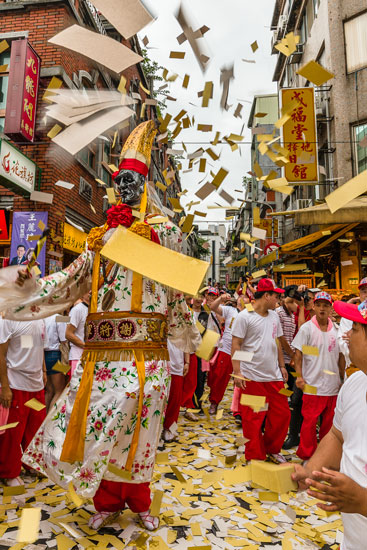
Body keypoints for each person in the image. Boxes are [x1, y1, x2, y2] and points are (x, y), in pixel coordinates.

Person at [5, 121, 200, 531]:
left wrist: (150, 235)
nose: (125, 188)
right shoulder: (101, 237)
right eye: (119, 182)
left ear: (146, 186)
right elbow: (71, 278)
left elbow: (181, 276)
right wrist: (28, 284)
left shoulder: (161, 233)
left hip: (147, 353)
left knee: (141, 428)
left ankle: (140, 499)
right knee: (104, 424)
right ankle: (108, 498)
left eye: (132, 181)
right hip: (104, 355)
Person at [292, 297, 367, 550]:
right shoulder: (356, 384)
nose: (347, 334)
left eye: (355, 329)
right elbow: (337, 436)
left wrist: (363, 501)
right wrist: (311, 469)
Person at [231, 278, 290, 463]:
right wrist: (238, 371)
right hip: (252, 378)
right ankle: (255, 457)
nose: (278, 301)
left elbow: (277, 341)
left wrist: (281, 366)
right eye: (276, 296)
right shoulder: (245, 316)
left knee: (282, 415)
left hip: (274, 377)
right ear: (266, 295)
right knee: (253, 420)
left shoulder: (274, 316)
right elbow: (236, 344)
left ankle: (272, 448)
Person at [291, 292, 344, 460]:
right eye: (319, 305)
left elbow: (341, 357)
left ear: (331, 308)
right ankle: (307, 454)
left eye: (326, 305)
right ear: (313, 306)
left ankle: (325, 455)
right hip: (312, 386)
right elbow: (298, 354)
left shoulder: (337, 329)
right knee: (309, 423)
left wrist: (342, 379)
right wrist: (299, 377)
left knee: (329, 425)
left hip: (333, 386)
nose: (322, 308)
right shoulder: (306, 328)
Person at [0, 319, 47, 486]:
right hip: (16, 384)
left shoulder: (40, 318)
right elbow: (1, 353)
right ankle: (9, 472)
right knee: (13, 431)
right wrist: (5, 386)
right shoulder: (7, 319)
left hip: (36, 385)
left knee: (35, 427)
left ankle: (31, 464)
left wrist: (43, 369)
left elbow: (36, 344)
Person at [207, 293, 240, 415]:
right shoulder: (229, 310)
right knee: (219, 376)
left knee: (242, 379)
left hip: (241, 350)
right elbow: (213, 307)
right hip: (226, 348)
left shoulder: (248, 313)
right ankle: (214, 402)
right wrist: (220, 298)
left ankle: (239, 409)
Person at [337, 277, 367, 378]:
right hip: (353, 371)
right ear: (359, 295)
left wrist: (353, 340)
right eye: (364, 291)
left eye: (354, 329)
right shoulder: (348, 317)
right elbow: (342, 343)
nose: (366, 295)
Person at [162, 340, 190, 442]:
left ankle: (169, 427)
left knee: (174, 397)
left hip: (177, 362)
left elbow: (186, 338)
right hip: (160, 360)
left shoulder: (184, 324)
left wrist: (187, 361)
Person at [181, 296, 201, 422]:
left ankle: (188, 407)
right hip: (179, 351)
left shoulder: (190, 313)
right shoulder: (179, 313)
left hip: (191, 351)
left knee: (191, 382)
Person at [44, 314, 67, 411]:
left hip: (44, 356)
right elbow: (64, 339)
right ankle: (50, 420)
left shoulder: (42, 317)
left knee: (49, 390)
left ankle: (43, 419)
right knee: (60, 389)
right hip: (56, 356)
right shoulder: (59, 317)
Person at [66, 293, 90, 376]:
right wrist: (87, 347)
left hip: (90, 357)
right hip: (77, 356)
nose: (90, 291)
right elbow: (68, 334)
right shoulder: (77, 310)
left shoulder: (96, 309)